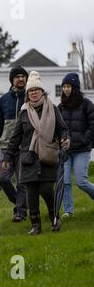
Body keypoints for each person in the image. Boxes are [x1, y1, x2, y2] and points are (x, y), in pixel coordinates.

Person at [3, 71, 70, 235]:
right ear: (27, 94)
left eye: (36, 90)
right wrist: (8, 155)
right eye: (30, 91)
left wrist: (65, 139)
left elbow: (63, 129)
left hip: (47, 155)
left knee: (47, 189)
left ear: (42, 92)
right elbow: (15, 137)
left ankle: (54, 217)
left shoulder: (52, 109)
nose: (33, 93)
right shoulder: (24, 112)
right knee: (31, 192)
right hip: (29, 157)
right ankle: (36, 225)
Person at [0, 65, 29, 222]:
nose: (20, 79)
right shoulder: (4, 100)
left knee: (22, 181)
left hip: (24, 147)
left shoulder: (30, 97)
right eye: (17, 76)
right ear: (12, 80)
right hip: (5, 147)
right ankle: (20, 203)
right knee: (2, 179)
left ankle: (20, 211)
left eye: (23, 76)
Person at [58, 73, 94, 218]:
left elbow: (93, 125)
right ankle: (68, 211)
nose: (66, 89)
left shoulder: (87, 104)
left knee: (81, 181)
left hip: (82, 150)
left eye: (69, 86)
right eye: (64, 86)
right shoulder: (60, 107)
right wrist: (61, 140)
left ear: (75, 88)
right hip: (66, 151)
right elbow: (58, 128)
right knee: (65, 182)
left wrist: (84, 140)